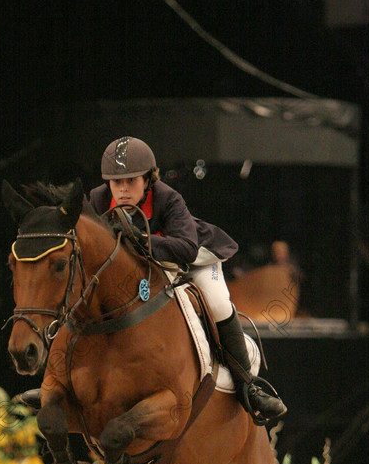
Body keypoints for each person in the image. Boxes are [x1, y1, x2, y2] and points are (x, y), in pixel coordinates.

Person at [88, 136, 286, 424]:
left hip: (194, 260)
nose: (123, 189)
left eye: (131, 181)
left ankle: (250, 388)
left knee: (217, 302)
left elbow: (186, 248)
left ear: (148, 179)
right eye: (116, 182)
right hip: (145, 267)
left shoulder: (168, 198)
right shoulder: (97, 200)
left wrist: (139, 240)